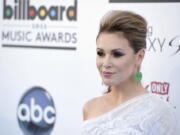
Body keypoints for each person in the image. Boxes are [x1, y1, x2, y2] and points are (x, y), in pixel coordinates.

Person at [81, 10, 178, 135]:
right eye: (100, 53)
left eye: (117, 54)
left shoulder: (160, 113)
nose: (105, 63)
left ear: (139, 57)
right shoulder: (90, 107)